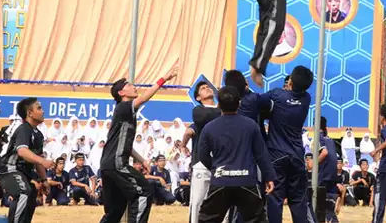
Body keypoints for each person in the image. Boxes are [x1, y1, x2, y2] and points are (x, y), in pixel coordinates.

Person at [98, 61, 178, 223]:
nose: (134, 86)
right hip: (116, 163)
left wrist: (142, 160)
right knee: (144, 191)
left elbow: (124, 145)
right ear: (121, 92)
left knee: (115, 210)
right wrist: (163, 79)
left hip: (108, 165)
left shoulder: (126, 113)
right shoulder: (124, 106)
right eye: (130, 85)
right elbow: (143, 99)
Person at [197, 86, 275, 223]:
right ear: (239, 103)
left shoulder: (209, 127)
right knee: (256, 219)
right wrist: (269, 177)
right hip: (246, 182)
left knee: (207, 219)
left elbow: (202, 155)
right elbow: (261, 154)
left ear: (219, 105)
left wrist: (216, 169)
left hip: (220, 182)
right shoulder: (251, 125)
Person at [256, 66, 316, 223]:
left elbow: (258, 100)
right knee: (298, 201)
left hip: (276, 155)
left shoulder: (277, 95)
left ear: (290, 81)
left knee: (275, 200)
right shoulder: (306, 99)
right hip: (297, 156)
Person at [0, 97, 54, 223]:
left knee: (31, 195)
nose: (43, 111)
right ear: (29, 113)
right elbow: (22, 151)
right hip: (9, 170)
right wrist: (42, 161)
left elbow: (37, 160)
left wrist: (44, 180)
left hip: (23, 172)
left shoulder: (38, 134)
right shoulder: (24, 129)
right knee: (24, 192)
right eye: (39, 108)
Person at [183, 79, 222, 223]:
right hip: (201, 162)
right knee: (198, 201)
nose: (207, 88)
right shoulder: (198, 110)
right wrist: (223, 113)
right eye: (203, 88)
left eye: (208, 87)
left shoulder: (221, 109)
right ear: (198, 98)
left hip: (221, 161)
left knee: (221, 202)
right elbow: (203, 117)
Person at [314, 116, 340, 223]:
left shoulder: (319, 137)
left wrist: (313, 164)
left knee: (317, 205)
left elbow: (324, 153)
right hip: (332, 175)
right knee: (328, 205)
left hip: (323, 175)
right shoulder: (329, 139)